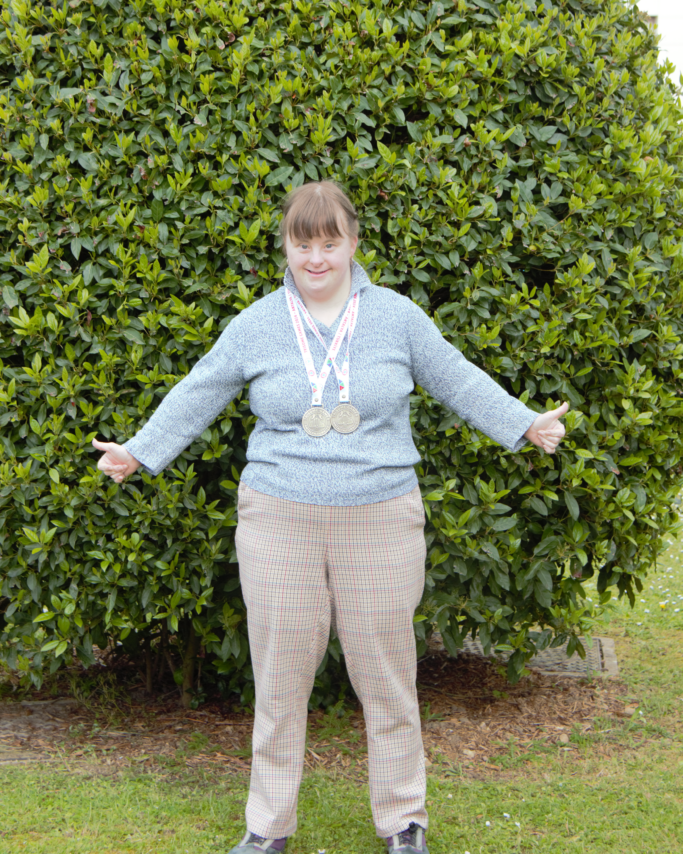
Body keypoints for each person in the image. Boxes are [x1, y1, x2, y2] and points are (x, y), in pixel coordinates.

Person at [93, 180, 568, 854]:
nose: (315, 257)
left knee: (387, 678)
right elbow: (199, 389)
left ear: (352, 243)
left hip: (380, 519)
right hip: (277, 520)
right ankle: (267, 828)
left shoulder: (397, 318)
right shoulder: (257, 323)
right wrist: (139, 451)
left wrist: (521, 423)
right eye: (301, 242)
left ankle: (404, 822)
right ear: (285, 246)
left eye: (329, 242)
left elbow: (456, 377)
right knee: (281, 679)